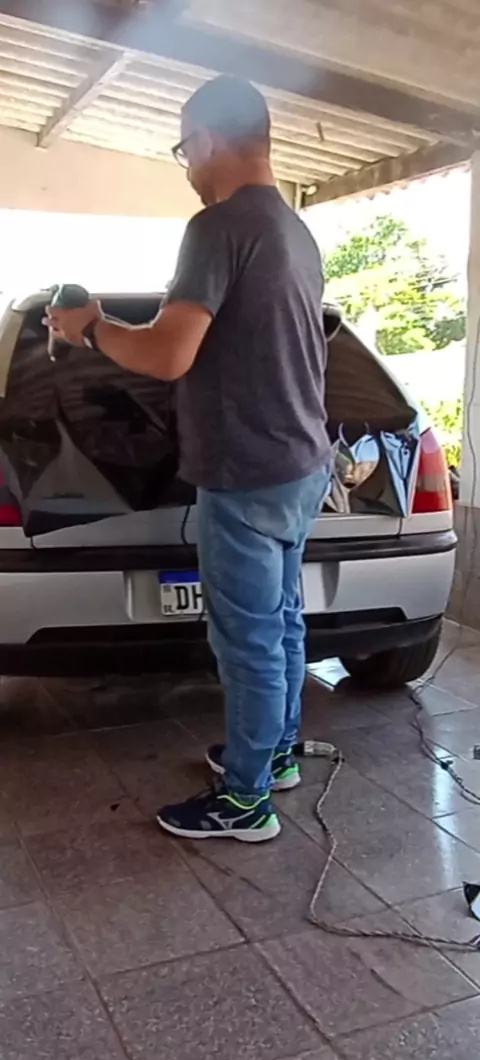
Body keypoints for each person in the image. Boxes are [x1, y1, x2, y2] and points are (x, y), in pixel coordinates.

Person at [46, 75, 332, 844]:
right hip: (301, 463)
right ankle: (275, 756)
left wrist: (90, 327)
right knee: (283, 622)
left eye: (183, 149)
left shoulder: (217, 226)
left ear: (205, 140)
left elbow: (169, 354)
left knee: (247, 643)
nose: (187, 167)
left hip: (246, 472)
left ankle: (246, 803)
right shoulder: (294, 231)